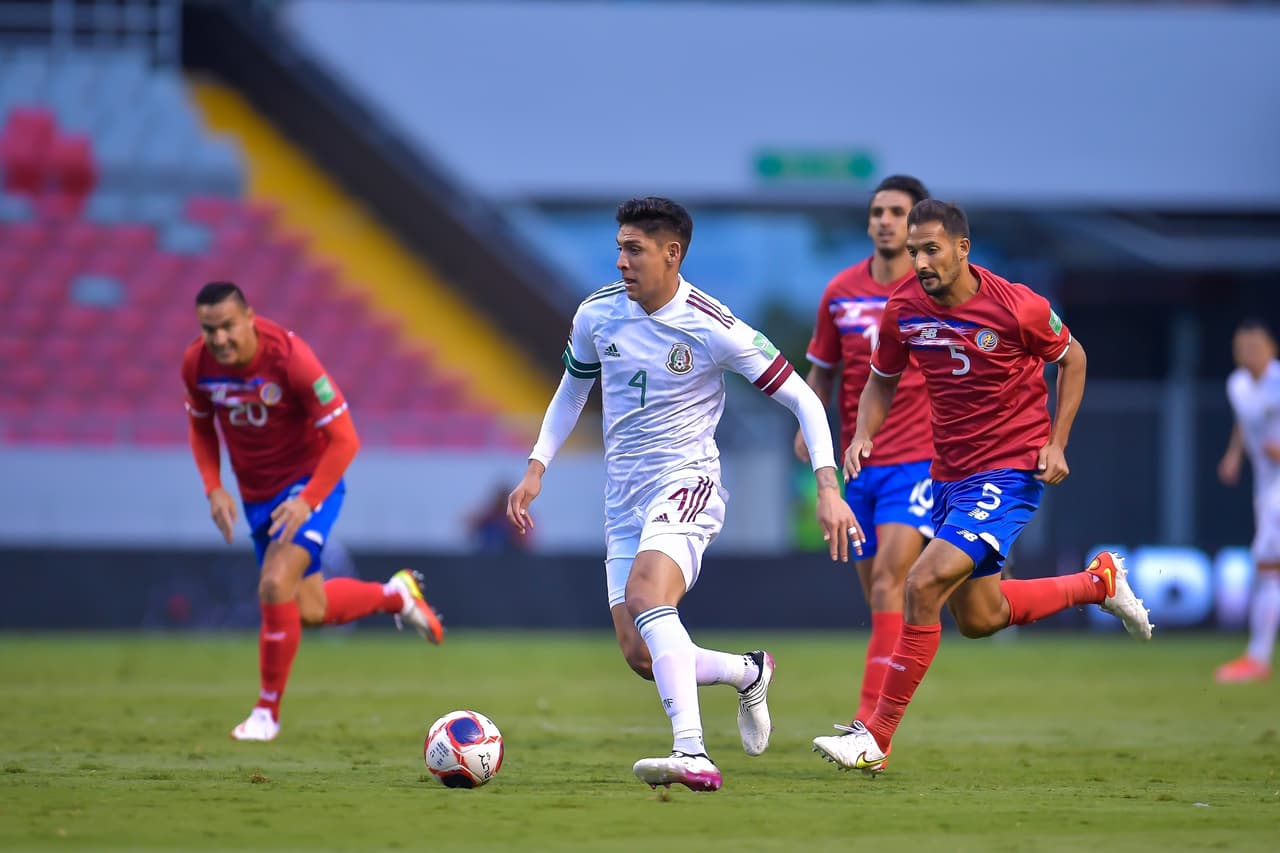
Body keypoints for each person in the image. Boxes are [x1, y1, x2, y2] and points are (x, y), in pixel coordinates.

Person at [506, 198, 863, 792]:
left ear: (672, 254)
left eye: (634, 250)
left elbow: (803, 397)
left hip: (687, 481)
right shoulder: (596, 314)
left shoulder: (712, 324)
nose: (621, 261)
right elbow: (571, 392)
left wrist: (828, 487)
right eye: (619, 248)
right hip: (622, 499)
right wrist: (536, 467)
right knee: (640, 654)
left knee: (648, 593)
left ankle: (691, 752)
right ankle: (747, 671)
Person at [811, 200, 1152, 776]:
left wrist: (1058, 442)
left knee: (921, 583)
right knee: (979, 617)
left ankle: (875, 738)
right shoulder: (904, 309)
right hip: (949, 475)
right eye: (914, 252)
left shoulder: (1018, 306)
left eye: (931, 249)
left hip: (1009, 471)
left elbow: (1074, 359)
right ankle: (1098, 583)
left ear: (962, 249)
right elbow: (881, 381)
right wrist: (863, 433)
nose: (920, 262)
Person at [182, 282, 445, 742]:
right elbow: (201, 428)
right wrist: (213, 488)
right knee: (309, 608)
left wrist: (306, 500)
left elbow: (346, 440)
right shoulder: (197, 365)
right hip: (257, 497)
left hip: (309, 484)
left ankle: (266, 713)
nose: (219, 339)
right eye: (209, 330)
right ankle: (396, 596)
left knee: (273, 583)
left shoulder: (290, 358)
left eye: (227, 326)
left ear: (249, 318)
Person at [795, 174, 934, 725]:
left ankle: (870, 720)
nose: (884, 221)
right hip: (860, 466)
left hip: (919, 460)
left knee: (887, 583)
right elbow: (822, 372)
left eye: (897, 212)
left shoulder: (932, 292)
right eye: (878, 211)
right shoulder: (840, 292)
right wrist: (809, 423)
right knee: (879, 594)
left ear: (918, 225)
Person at [1214, 319, 1280, 683]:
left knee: (1267, 565)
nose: (1248, 352)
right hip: (1265, 486)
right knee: (1268, 568)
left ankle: (1257, 658)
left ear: (1272, 349)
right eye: (1242, 347)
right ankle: (1258, 657)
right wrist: (1234, 455)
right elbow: (1245, 421)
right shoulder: (1237, 384)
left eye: (1255, 346)